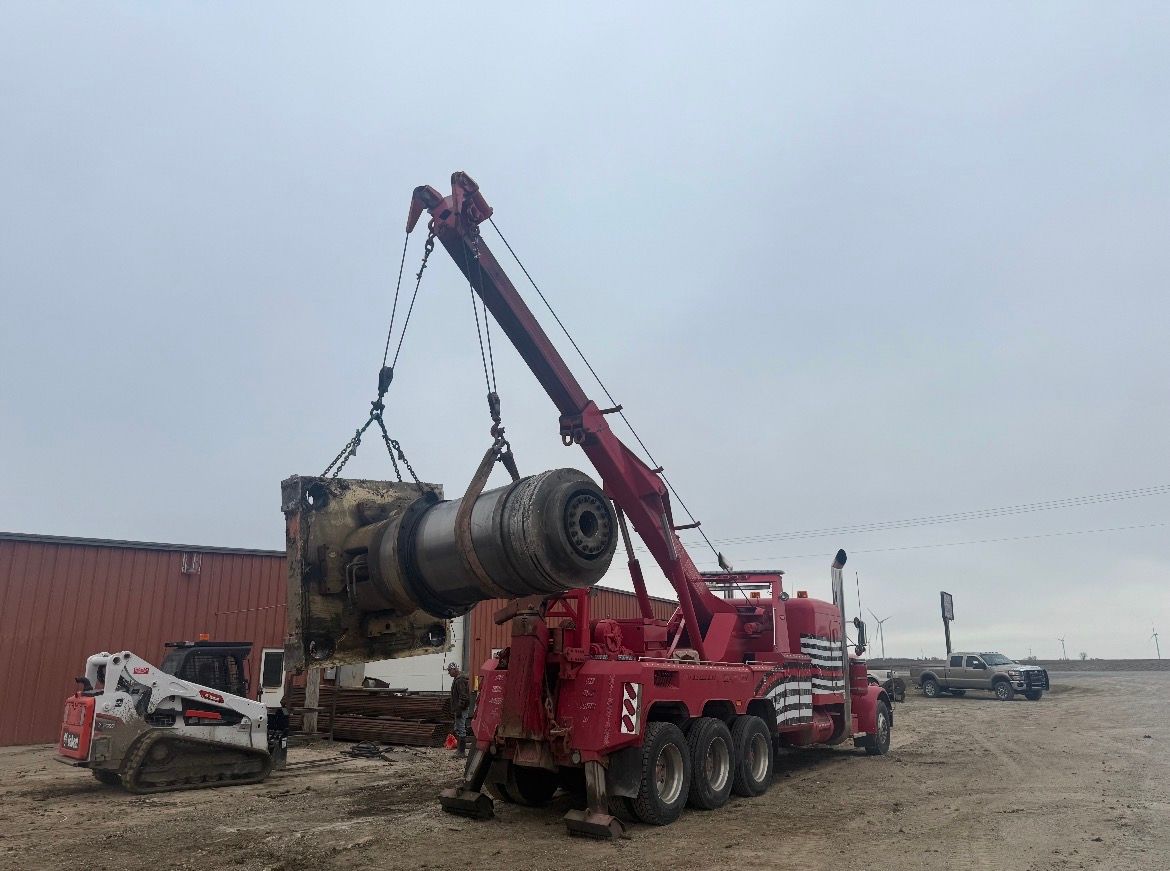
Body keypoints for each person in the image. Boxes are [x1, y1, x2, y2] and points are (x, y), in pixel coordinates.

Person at [447, 662, 471, 757]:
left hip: (461, 709)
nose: (449, 673)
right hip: (459, 709)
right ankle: (459, 751)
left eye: (449, 670)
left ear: (454, 669)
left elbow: (463, 697)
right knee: (458, 729)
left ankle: (461, 752)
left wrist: (459, 710)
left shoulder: (460, 680)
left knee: (461, 729)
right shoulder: (457, 679)